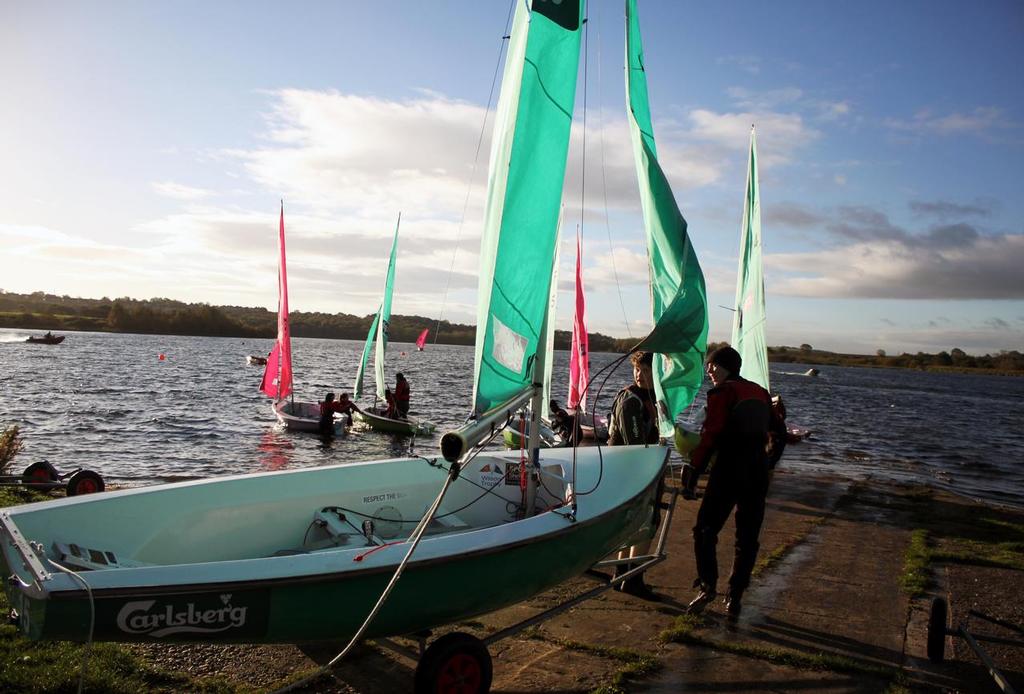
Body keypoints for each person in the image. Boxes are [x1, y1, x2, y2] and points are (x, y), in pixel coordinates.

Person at [683, 345, 783, 620]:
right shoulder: (761, 392)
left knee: (704, 530)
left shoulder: (723, 392)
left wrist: (693, 471)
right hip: (757, 471)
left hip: (729, 469)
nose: (708, 370)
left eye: (712, 365)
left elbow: (710, 434)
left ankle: (707, 587)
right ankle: (735, 597)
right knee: (747, 538)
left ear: (725, 366)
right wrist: (769, 462)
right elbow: (779, 431)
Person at [607, 350, 660, 598]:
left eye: (646, 370)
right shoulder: (631, 400)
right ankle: (633, 579)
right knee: (646, 522)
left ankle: (621, 576)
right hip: (632, 470)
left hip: (631, 469)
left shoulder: (650, 397)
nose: (640, 375)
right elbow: (635, 442)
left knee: (632, 523)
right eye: (637, 369)